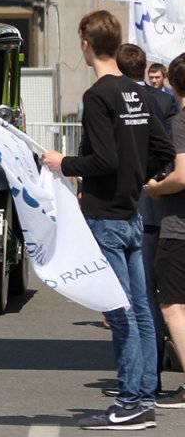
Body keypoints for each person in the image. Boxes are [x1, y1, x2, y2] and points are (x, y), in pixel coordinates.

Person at [42, 10, 174, 430]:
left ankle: (132, 401)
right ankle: (143, 395)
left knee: (120, 312)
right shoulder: (137, 92)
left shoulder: (98, 95)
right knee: (139, 309)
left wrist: (63, 162)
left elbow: (103, 159)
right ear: (116, 44)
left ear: (85, 44)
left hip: (107, 216)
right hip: (132, 213)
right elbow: (163, 150)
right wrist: (140, 181)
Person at [115, 43, 178, 396]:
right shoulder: (164, 102)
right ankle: (147, 374)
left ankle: (143, 377)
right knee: (150, 298)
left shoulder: (114, 97)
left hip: (133, 205)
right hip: (153, 207)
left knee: (139, 296)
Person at [144, 52, 185, 409]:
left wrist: (156, 188)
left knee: (171, 304)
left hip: (179, 226)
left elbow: (182, 176)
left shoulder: (181, 121)